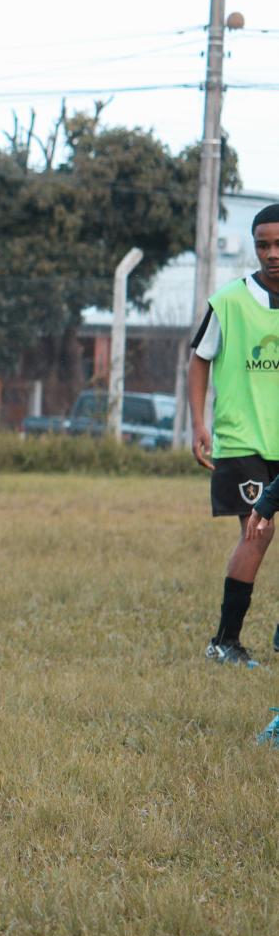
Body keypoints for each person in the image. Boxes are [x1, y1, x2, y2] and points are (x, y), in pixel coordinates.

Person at [190, 203, 279, 668]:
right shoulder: (229, 301)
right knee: (256, 532)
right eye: (263, 244)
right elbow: (200, 358)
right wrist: (199, 423)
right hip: (243, 439)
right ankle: (225, 641)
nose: (272, 253)